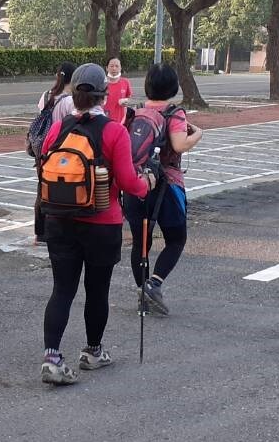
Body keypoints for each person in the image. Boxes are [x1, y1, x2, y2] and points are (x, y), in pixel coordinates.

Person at [38, 63, 151, 386]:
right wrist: (148, 182)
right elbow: (130, 183)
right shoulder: (115, 131)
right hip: (102, 221)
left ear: (74, 94)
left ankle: (52, 356)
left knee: (62, 289)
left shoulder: (57, 130)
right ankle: (92, 351)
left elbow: (43, 170)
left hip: (59, 219)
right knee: (96, 290)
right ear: (105, 94)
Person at [123, 63, 202, 316]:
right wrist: (197, 134)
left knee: (140, 243)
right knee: (176, 239)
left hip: (137, 183)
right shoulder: (174, 113)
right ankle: (153, 284)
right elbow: (179, 145)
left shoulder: (136, 113)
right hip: (166, 186)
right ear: (173, 87)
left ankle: (141, 292)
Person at [33, 61, 78, 243]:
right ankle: (60, 230)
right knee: (61, 190)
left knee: (42, 190)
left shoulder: (45, 95)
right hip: (61, 150)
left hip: (42, 149)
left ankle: (40, 232)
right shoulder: (69, 100)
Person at [105, 57, 133, 128]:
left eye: (117, 66)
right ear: (107, 68)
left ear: (120, 68)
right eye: (111, 66)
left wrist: (126, 102)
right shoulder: (102, 83)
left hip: (120, 121)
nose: (114, 68)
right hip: (104, 120)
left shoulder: (125, 82)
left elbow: (129, 97)